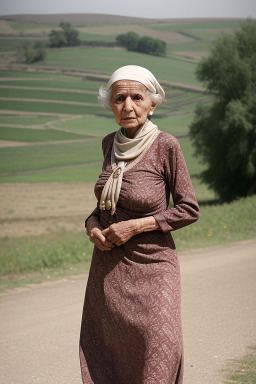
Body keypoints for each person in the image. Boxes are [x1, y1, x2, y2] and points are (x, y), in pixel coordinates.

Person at [79, 65, 200, 384]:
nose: (128, 106)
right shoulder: (108, 145)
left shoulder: (166, 145)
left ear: (152, 103)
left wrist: (136, 227)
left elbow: (189, 209)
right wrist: (92, 226)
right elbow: (103, 207)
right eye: (119, 98)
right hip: (109, 270)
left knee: (159, 347)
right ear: (111, 105)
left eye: (137, 97)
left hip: (155, 267)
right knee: (114, 353)